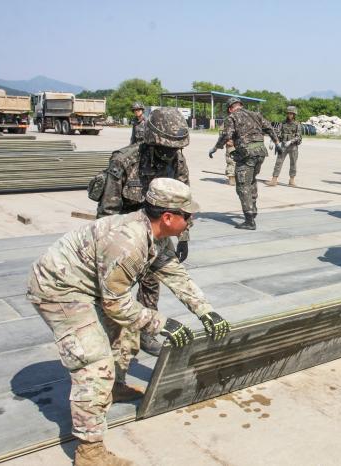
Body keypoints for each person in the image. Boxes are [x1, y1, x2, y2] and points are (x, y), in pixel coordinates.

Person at [28, 178, 231, 466]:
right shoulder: (127, 241)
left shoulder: (157, 235)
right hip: (59, 289)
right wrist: (162, 323)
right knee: (93, 362)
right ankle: (90, 451)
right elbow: (116, 303)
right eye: (187, 215)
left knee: (126, 331)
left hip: (94, 286)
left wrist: (205, 311)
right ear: (168, 217)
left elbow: (173, 273)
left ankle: (115, 386)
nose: (192, 219)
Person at [92, 107, 192, 357]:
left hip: (156, 235)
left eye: (175, 149)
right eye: (166, 148)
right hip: (123, 239)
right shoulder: (124, 161)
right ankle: (113, 340)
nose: (171, 154)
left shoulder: (177, 161)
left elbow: (184, 203)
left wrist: (183, 236)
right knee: (116, 291)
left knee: (151, 283)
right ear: (152, 140)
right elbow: (107, 211)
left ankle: (146, 334)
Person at [208, 97, 280, 230]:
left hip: (247, 154)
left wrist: (215, 147)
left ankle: (249, 221)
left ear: (230, 108)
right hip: (260, 153)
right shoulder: (255, 114)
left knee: (242, 186)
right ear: (241, 105)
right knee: (251, 180)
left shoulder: (232, 117)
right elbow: (269, 127)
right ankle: (253, 208)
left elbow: (226, 135)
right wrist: (277, 143)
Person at [267, 105, 302, 187]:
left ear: (294, 115)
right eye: (288, 113)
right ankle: (274, 179)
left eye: (291, 113)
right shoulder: (282, 123)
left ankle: (292, 179)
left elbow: (299, 136)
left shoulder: (297, 124)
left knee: (293, 163)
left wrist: (291, 141)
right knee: (278, 162)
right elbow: (277, 133)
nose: (289, 115)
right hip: (283, 145)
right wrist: (272, 141)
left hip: (293, 146)